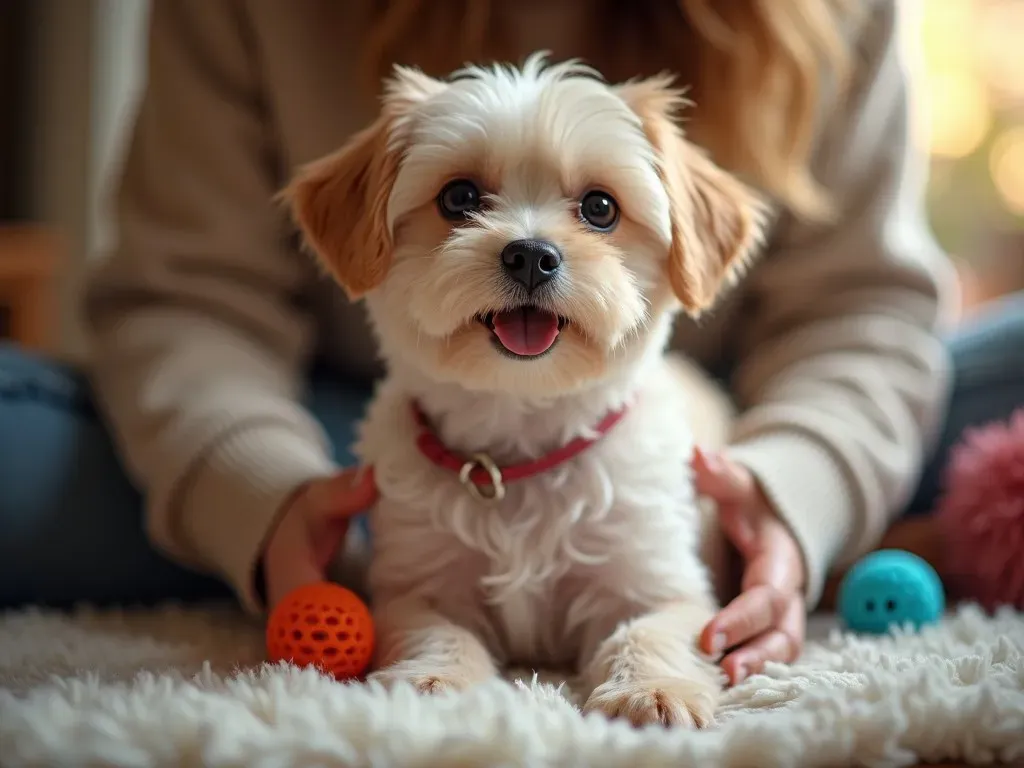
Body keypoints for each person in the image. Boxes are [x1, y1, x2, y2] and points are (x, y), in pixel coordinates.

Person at [2, 0, 1021, 686]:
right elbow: (185, 300)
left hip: (729, 430)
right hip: (338, 442)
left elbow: (868, 310)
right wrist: (256, 492)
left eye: (593, 208)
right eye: (461, 201)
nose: (533, 247)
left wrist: (801, 488)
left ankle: (875, 519)